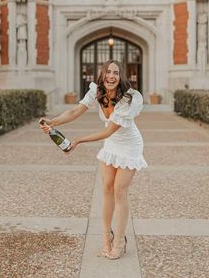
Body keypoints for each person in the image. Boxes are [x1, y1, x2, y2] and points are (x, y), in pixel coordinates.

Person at [39, 60, 147, 259]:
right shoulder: (97, 91)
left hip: (129, 144)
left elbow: (108, 131)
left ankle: (121, 239)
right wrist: (52, 121)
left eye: (116, 72)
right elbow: (74, 111)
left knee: (119, 189)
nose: (111, 76)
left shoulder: (130, 98)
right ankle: (107, 235)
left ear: (121, 76)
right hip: (112, 144)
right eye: (108, 72)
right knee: (106, 187)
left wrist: (78, 140)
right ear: (102, 75)